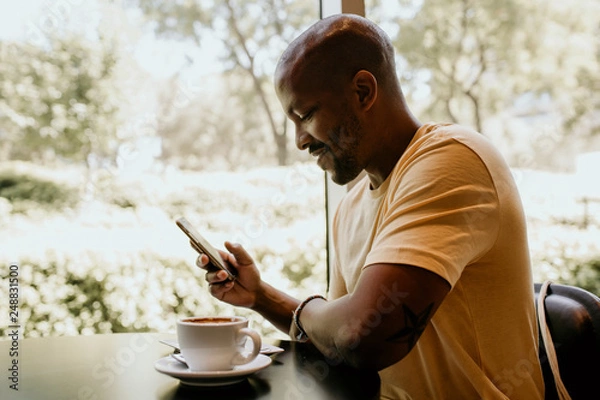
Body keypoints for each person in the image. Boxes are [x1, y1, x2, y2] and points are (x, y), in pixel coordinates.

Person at [196, 14, 544, 399]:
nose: (299, 141)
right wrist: (261, 296)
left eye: (306, 115)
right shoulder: (351, 206)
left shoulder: (452, 160)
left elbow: (361, 336)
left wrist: (324, 318)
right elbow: (337, 345)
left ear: (363, 91)